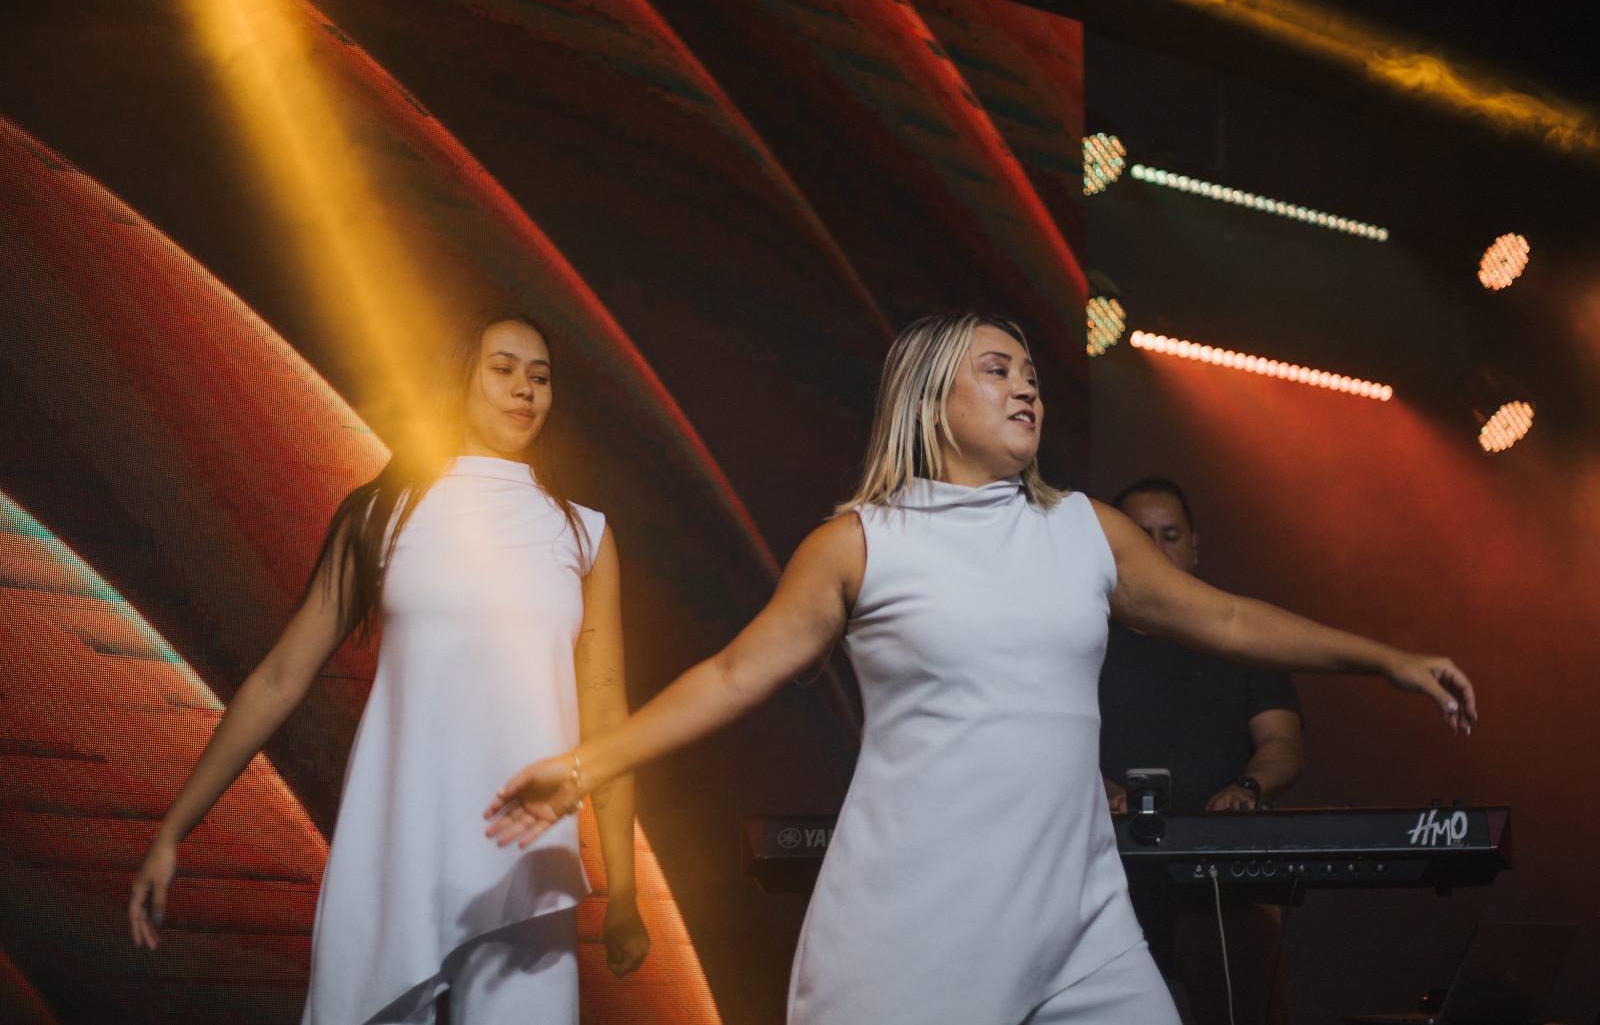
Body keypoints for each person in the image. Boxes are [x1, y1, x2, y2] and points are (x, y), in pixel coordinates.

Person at [483, 312, 1475, 1025]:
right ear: (930, 399)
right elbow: (733, 672)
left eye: (1031, 373)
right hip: (912, 927)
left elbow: (1224, 619)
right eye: (997, 371)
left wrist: (1385, 659)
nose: (1026, 387)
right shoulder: (860, 543)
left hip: (1078, 921)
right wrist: (586, 764)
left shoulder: (1083, 529)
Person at [128, 307, 650, 1024]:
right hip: (395, 845)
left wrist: (624, 891)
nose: (525, 389)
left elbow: (607, 712)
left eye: (541, 376)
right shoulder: (382, 514)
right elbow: (281, 677)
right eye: (503, 369)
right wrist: (173, 830)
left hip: (526, 865)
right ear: (460, 381)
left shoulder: (583, 535)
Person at [1099, 476, 1302, 1025]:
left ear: (1194, 547)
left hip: (1225, 887)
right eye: (1140, 536)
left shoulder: (1239, 636)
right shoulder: (1082, 637)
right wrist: (1099, 789)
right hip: (1109, 887)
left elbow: (1283, 741)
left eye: (1170, 535)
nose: (1156, 549)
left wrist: (1249, 787)